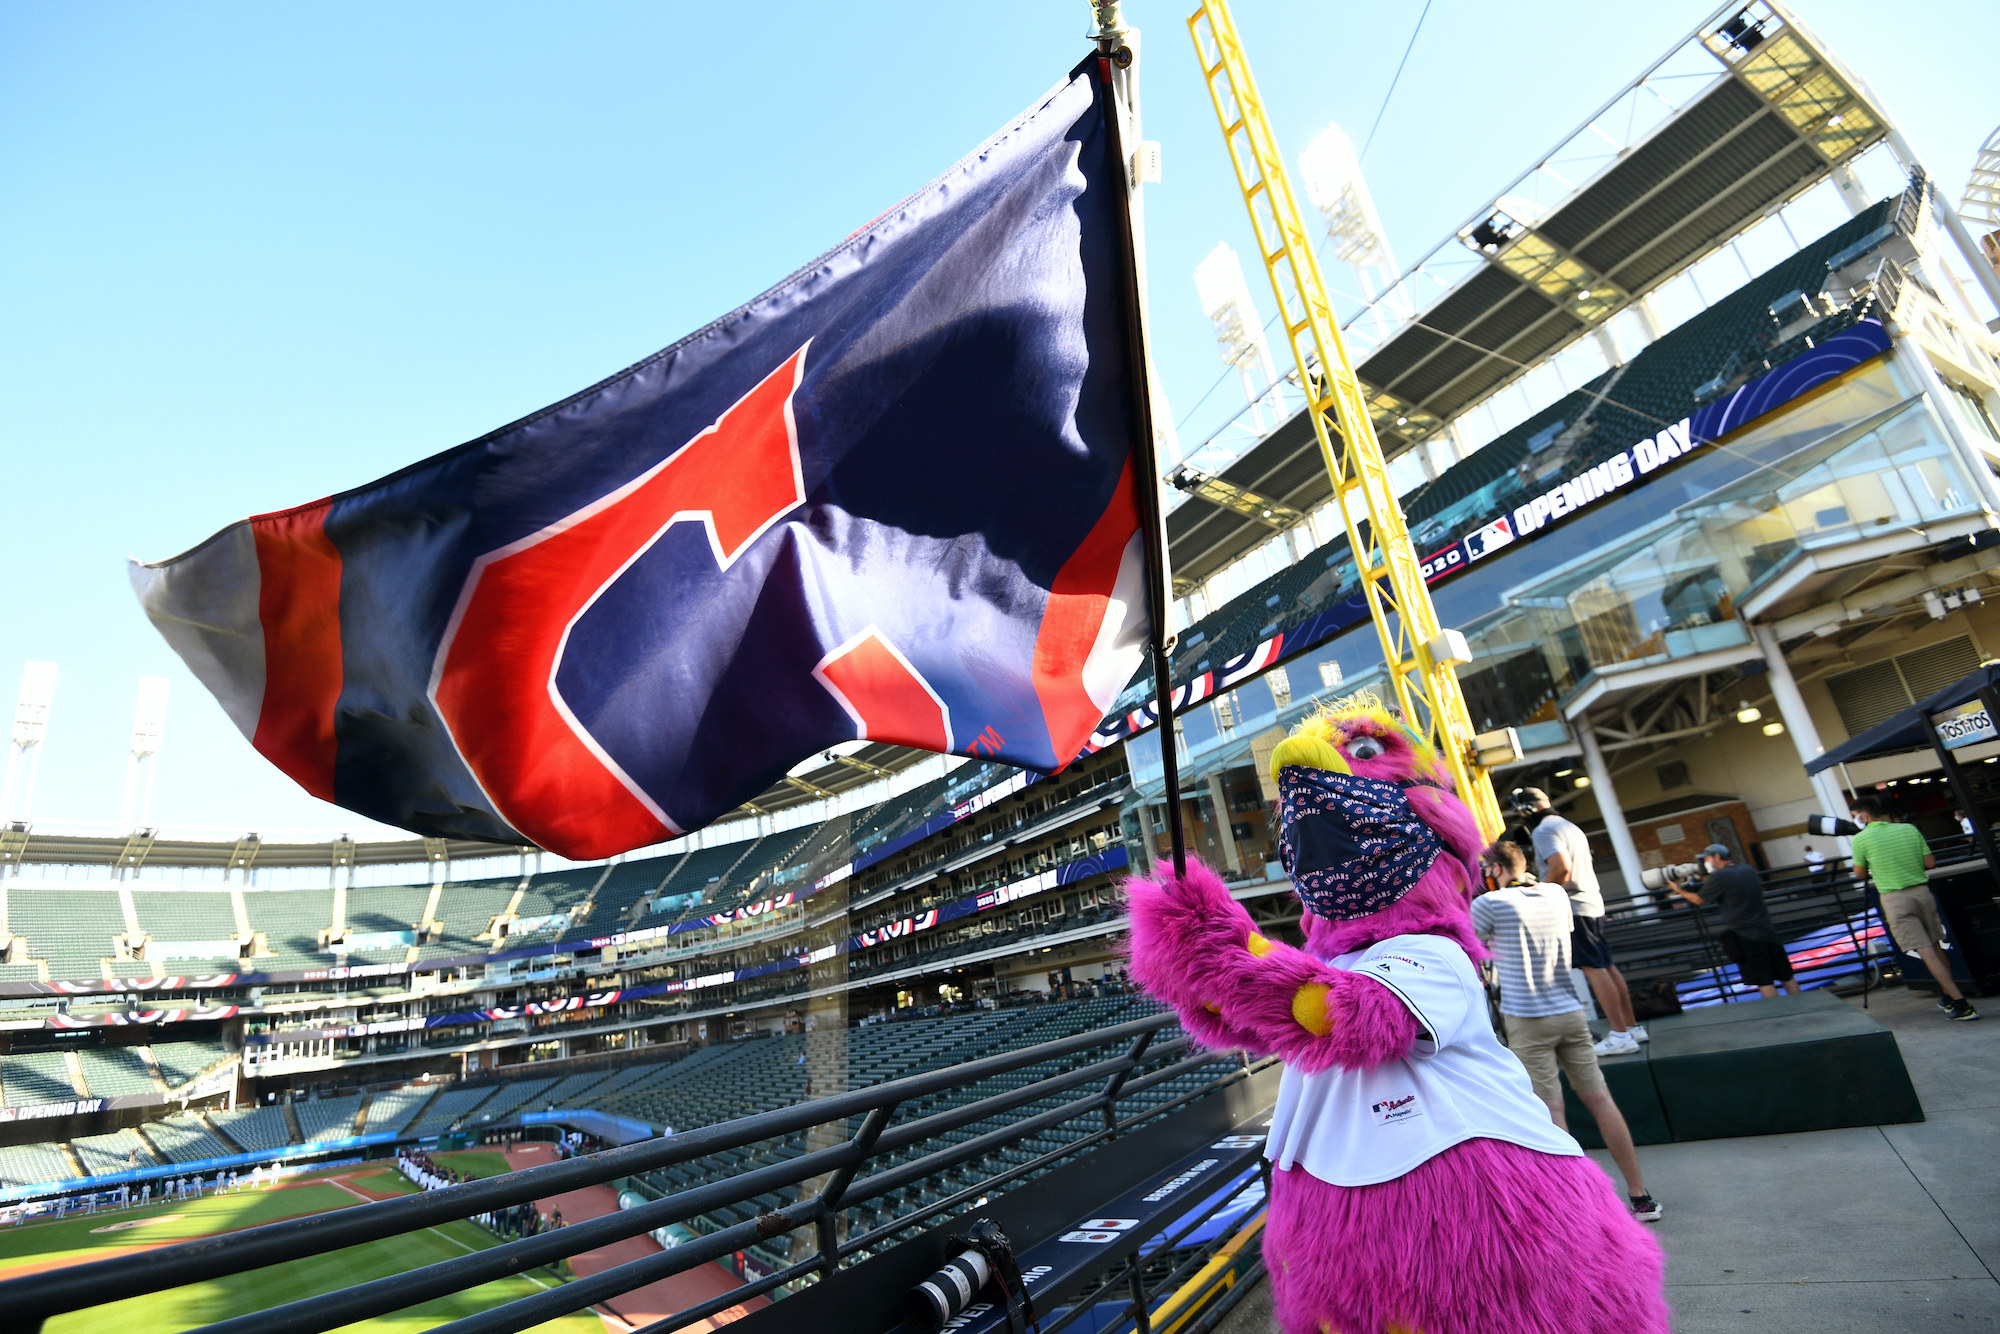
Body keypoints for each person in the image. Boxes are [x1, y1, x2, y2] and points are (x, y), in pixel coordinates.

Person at [1472, 839, 1660, 1221]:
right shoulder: (1556, 894)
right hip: (1570, 1012)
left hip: (1526, 1019)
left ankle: (1580, 1210)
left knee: (1553, 1115)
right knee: (1601, 1100)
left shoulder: (1488, 904)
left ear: (1494, 870)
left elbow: (1470, 946)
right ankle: (1641, 1197)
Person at [1515, 788, 1644, 1054]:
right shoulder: (1569, 826)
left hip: (1573, 907)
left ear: (1526, 809)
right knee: (1606, 966)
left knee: (1594, 970)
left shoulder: (1543, 831)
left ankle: (1620, 1035)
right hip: (1591, 902)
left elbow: (1561, 867)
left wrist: (1540, 894)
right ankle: (1631, 1027)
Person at [1850, 797, 1979, 1020]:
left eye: (1855, 817)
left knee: (1925, 951)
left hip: (1895, 899)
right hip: (1922, 893)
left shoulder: (1861, 840)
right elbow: (1930, 863)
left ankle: (1961, 1003)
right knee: (1936, 947)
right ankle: (1949, 996)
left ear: (1863, 816)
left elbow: (1860, 874)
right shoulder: (1908, 829)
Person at [1667, 844, 1799, 999]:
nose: (1706, 862)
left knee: (1764, 981)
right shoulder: (1748, 870)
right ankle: (1802, 1005)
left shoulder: (1720, 877)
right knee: (1786, 976)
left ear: (1716, 857)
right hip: (1767, 930)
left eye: (1708, 858)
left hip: (1746, 935)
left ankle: (1782, 1015)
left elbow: (1698, 899)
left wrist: (1678, 890)